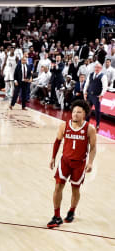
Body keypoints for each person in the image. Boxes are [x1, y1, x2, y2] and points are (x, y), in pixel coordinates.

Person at [47, 100, 97, 228]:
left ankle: (72, 211)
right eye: (74, 111)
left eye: (79, 112)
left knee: (75, 189)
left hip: (79, 164)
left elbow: (92, 147)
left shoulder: (89, 129)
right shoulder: (64, 126)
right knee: (58, 187)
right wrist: (53, 157)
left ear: (84, 114)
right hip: (65, 161)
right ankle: (56, 216)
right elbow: (57, 141)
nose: (75, 114)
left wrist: (90, 163)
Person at [83, 62, 108, 130]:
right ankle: (86, 122)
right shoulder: (91, 74)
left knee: (97, 111)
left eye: (98, 68)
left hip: (96, 96)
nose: (97, 69)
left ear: (101, 69)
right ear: (94, 68)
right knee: (88, 109)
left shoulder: (103, 76)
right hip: (89, 95)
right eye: (96, 67)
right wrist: (84, 92)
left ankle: (97, 124)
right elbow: (86, 84)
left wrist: (101, 95)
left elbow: (105, 87)